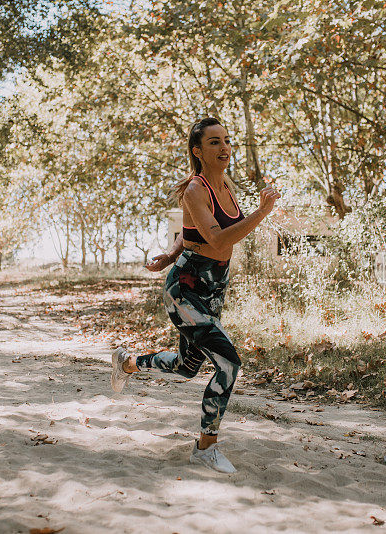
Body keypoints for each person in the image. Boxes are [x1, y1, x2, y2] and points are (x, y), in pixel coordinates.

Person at [110, 117, 280, 473]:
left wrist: (171, 252)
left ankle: (127, 363)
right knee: (228, 362)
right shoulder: (195, 189)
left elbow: (192, 229)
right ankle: (205, 448)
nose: (224, 148)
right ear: (197, 151)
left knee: (188, 367)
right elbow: (218, 239)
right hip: (184, 289)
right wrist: (263, 213)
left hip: (214, 287)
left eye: (227, 141)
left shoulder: (226, 186)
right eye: (214, 142)